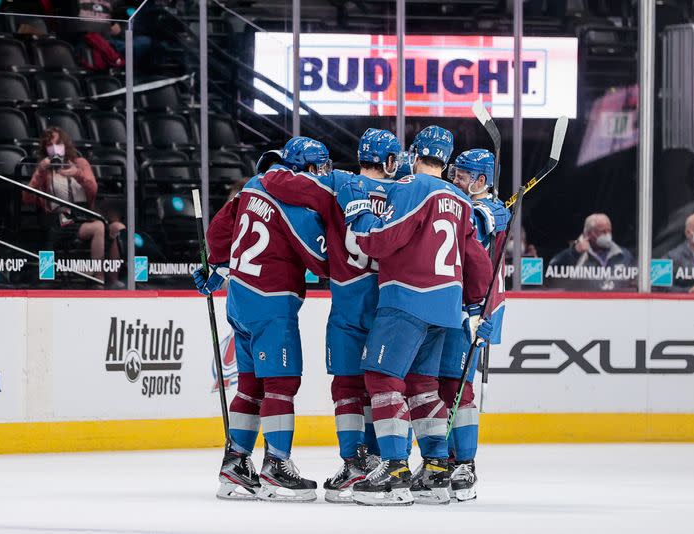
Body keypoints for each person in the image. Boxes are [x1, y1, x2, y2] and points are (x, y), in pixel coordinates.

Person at [337, 126, 495, 506]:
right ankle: (438, 469)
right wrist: (477, 307)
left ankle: (394, 471)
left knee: (381, 376)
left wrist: (359, 219)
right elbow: (476, 259)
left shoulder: (414, 187)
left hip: (407, 298)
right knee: (423, 385)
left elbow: (386, 237)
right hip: (445, 307)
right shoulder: (459, 198)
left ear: (415, 152)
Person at [260, 128, 401, 503]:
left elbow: (282, 183)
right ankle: (394, 462)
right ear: (391, 161)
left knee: (347, 387)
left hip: (348, 305)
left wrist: (270, 172)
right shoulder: (409, 190)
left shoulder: (338, 184)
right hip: (391, 304)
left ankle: (353, 463)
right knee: (386, 385)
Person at [194, 136, 330, 502]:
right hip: (272, 303)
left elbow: (217, 232)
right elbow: (320, 259)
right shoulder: (292, 199)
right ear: (304, 168)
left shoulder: (251, 187)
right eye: (318, 169)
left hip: (239, 300)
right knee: (281, 385)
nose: (322, 176)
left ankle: (235, 464)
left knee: (250, 386)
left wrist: (219, 268)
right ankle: (276, 468)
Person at [439, 149, 511, 502]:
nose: (455, 181)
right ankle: (445, 459)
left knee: (457, 386)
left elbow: (479, 220)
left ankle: (464, 464)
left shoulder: (488, 212)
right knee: (437, 387)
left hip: (474, 312)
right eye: (455, 174)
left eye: (463, 176)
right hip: (449, 308)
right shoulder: (474, 206)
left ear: (481, 181)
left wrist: (495, 210)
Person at [22, 126, 125, 284]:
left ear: (65, 145)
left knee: (117, 227)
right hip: (60, 218)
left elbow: (93, 188)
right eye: (50, 145)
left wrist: (77, 174)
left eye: (58, 144)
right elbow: (27, 198)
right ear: (45, 149)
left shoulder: (80, 163)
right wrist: (39, 172)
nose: (55, 148)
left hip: (84, 214)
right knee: (98, 227)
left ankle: (114, 280)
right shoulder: (45, 171)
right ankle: (99, 279)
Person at [548, 213, 634, 290]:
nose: (607, 235)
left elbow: (634, 284)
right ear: (588, 234)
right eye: (602, 231)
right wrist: (575, 252)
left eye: (609, 231)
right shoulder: (576, 254)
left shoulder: (624, 255)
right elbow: (552, 274)